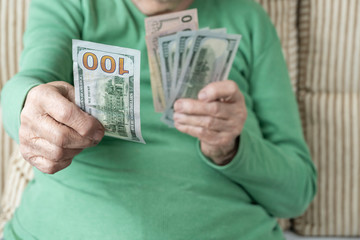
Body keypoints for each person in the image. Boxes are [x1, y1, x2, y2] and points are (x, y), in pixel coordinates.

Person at [1, 0, 317, 239]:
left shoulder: (249, 19)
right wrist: (27, 105)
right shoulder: (73, 4)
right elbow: (30, 81)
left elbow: (296, 194)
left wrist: (231, 147)